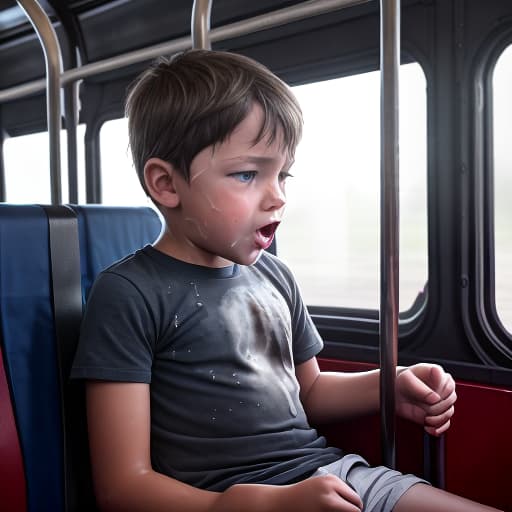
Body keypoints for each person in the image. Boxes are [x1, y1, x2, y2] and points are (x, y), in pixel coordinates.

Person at [71, 49, 502, 512]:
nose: (277, 197)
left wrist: (389, 385)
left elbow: (309, 392)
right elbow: (122, 486)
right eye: (247, 174)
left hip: (331, 476)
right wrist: (261, 506)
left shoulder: (275, 276)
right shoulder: (129, 293)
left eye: (283, 175)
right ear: (166, 184)